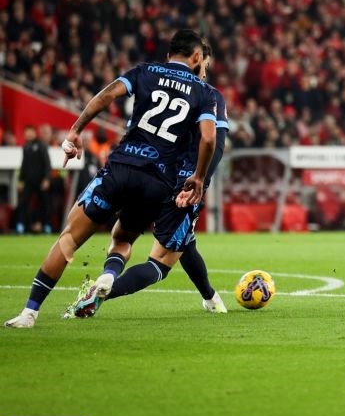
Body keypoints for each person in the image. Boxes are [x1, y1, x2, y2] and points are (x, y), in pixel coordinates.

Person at [5, 29, 216, 329]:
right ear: (197, 57)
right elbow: (208, 139)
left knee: (69, 238)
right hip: (158, 182)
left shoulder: (145, 71)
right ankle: (109, 275)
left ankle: (29, 313)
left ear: (169, 53)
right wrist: (198, 177)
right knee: (122, 237)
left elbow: (107, 96)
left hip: (122, 167)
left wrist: (76, 130)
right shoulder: (203, 91)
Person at [68, 42, 230, 317]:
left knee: (183, 243)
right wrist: (201, 181)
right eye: (205, 63)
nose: (205, 70)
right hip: (186, 183)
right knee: (162, 263)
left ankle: (210, 297)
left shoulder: (159, 81)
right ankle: (100, 295)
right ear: (198, 60)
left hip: (153, 173)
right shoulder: (210, 96)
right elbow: (216, 142)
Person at [15, 125, 51, 234]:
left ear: (35, 133)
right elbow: (23, 165)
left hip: (40, 181)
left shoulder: (41, 145)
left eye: (30, 132)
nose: (28, 134)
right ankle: (21, 225)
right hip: (29, 181)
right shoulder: (25, 147)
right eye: (26, 132)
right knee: (23, 203)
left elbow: (47, 163)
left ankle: (46, 225)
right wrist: (20, 180)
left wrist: (46, 179)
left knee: (44, 203)